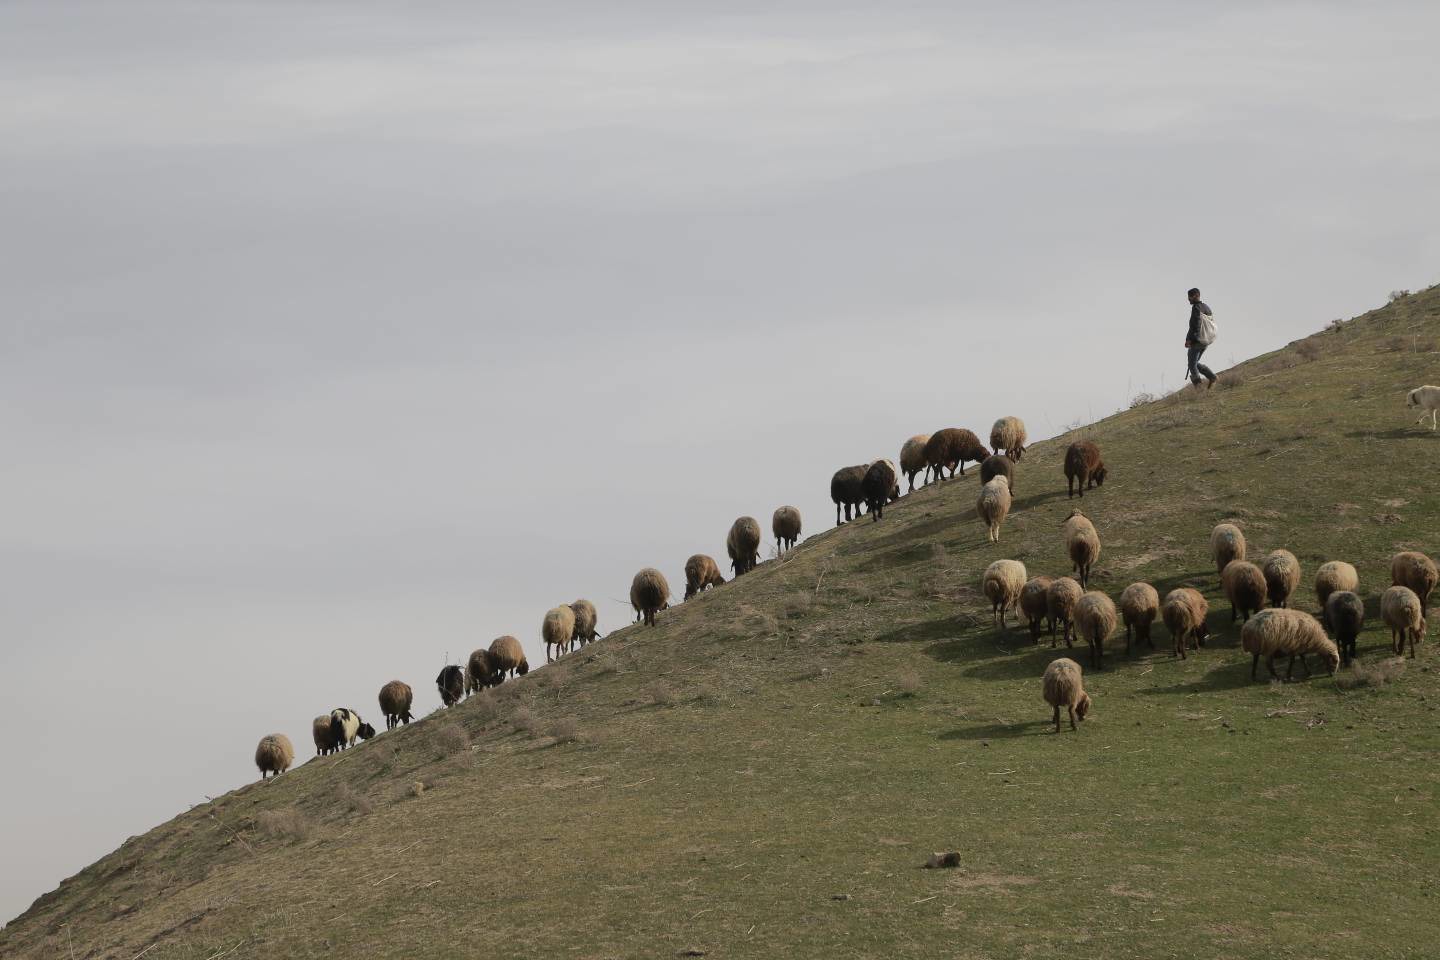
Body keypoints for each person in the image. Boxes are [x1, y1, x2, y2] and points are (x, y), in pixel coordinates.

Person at [1184, 287, 1217, 389]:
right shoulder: (1206, 307)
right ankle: (1212, 377)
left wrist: (1189, 340)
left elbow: (1195, 326)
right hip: (1206, 340)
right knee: (1194, 363)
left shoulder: (1196, 308)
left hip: (1197, 340)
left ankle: (1199, 388)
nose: (1188, 299)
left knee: (1192, 365)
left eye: (1190, 296)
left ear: (1196, 296)